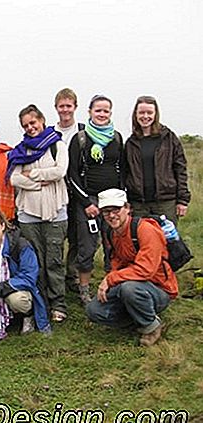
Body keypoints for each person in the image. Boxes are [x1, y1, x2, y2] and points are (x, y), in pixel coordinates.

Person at [86, 189, 177, 347]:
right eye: (106, 211)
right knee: (94, 310)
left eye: (116, 210)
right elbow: (117, 262)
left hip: (159, 289)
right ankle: (138, 319)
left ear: (127, 208)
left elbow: (146, 270)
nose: (112, 215)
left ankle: (151, 327)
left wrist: (111, 279)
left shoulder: (145, 230)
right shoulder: (112, 233)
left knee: (130, 289)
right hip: (131, 283)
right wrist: (110, 282)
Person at [8, 104, 69, 322]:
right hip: (28, 214)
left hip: (55, 212)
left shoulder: (57, 145)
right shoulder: (21, 150)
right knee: (35, 261)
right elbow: (14, 178)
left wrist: (32, 173)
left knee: (54, 260)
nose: (30, 128)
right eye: (26, 125)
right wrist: (39, 184)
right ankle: (39, 300)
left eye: (33, 122)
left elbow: (60, 171)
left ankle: (58, 304)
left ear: (41, 120)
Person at [68, 94, 123, 304]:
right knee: (87, 247)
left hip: (113, 202)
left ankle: (112, 285)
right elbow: (72, 174)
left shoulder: (117, 138)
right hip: (88, 201)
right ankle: (84, 290)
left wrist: (121, 203)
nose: (102, 114)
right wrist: (87, 203)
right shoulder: (80, 139)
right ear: (90, 112)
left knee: (114, 246)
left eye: (106, 110)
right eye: (98, 110)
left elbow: (122, 170)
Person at [0, 210, 51, 339]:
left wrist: (0, 288)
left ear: (3, 226)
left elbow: (28, 277)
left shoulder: (21, 245)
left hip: (17, 289)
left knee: (16, 300)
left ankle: (27, 316)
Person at [123, 95, 190, 224]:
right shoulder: (131, 143)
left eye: (149, 112)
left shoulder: (169, 138)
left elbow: (180, 169)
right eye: (141, 112)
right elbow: (125, 173)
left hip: (166, 203)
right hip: (139, 205)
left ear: (155, 114)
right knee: (141, 242)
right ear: (135, 115)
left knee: (168, 241)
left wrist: (182, 200)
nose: (145, 116)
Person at [53, 88, 85, 293]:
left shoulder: (84, 131)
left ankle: (72, 274)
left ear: (75, 107)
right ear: (56, 108)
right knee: (57, 236)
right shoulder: (50, 133)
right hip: (56, 191)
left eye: (68, 106)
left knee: (77, 235)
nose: (65, 110)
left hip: (79, 191)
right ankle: (55, 275)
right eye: (61, 106)